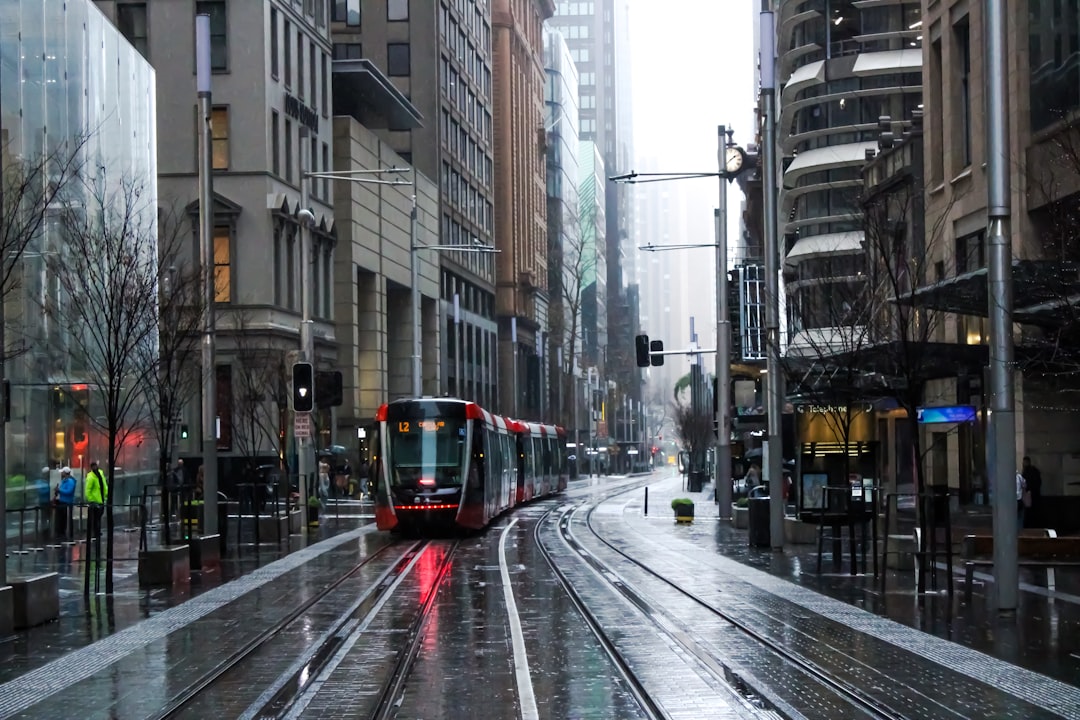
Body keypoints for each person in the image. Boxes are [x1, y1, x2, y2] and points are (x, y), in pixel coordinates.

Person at [85, 461, 109, 542]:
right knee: (95, 518)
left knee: (98, 517)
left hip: (101, 499)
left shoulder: (100, 473)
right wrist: (91, 500)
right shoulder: (90, 477)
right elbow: (88, 490)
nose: (95, 468)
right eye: (93, 466)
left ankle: (97, 532)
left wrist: (106, 495)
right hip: (95, 501)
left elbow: (104, 484)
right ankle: (96, 532)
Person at [54, 467, 77, 539]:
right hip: (62, 501)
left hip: (67, 502)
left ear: (65, 473)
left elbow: (69, 491)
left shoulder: (70, 481)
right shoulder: (64, 481)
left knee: (66, 518)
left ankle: (67, 533)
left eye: (62, 472)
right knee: (61, 518)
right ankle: (61, 532)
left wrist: (59, 490)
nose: (61, 473)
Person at [1021, 456, 1042, 527]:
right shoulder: (1035, 471)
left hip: (1029, 495)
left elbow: (1025, 484)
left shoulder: (1026, 472)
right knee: (1035, 512)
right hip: (1036, 494)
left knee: (1029, 513)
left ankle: (1029, 525)